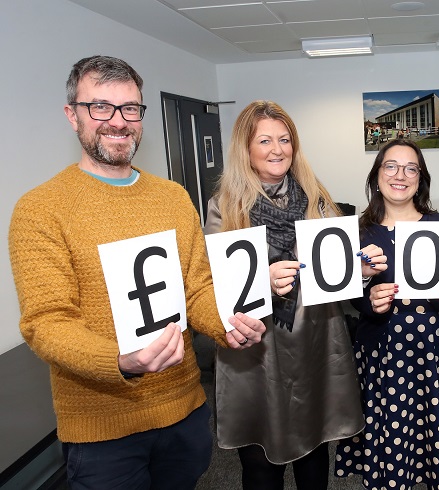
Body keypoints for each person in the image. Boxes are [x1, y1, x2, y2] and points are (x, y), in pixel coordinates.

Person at [7, 55, 266, 490]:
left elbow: (197, 286)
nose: (118, 122)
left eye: (130, 109)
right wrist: (119, 362)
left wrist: (226, 324)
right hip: (102, 431)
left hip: (183, 412)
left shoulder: (172, 197)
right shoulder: (40, 209)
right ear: (73, 115)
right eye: (100, 107)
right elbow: (46, 322)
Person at [205, 100, 364, 490]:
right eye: (264, 140)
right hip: (257, 347)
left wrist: (362, 266)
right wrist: (264, 280)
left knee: (314, 448)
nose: (277, 149)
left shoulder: (317, 198)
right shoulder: (222, 207)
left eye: (285, 139)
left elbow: (337, 266)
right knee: (260, 461)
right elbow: (215, 286)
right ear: (246, 148)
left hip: (314, 336)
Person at [334, 139, 439, 489]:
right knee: (393, 447)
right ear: (377, 175)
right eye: (391, 166)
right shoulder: (355, 232)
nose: (401, 175)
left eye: (411, 168)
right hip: (383, 358)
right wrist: (367, 297)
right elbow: (347, 296)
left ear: (420, 179)